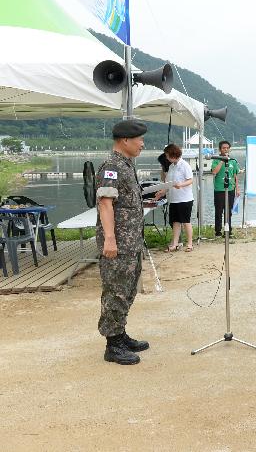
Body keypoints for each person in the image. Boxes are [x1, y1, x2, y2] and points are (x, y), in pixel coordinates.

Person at [95, 119, 151, 366]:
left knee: (126, 290)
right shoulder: (112, 166)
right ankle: (112, 345)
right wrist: (109, 239)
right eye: (139, 139)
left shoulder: (126, 165)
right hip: (117, 244)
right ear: (125, 140)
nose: (142, 143)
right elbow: (105, 203)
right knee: (115, 291)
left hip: (130, 243)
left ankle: (120, 332)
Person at [155, 144, 195, 253]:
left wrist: (181, 184)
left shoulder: (184, 165)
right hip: (173, 199)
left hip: (185, 199)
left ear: (173, 154)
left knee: (186, 221)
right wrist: (162, 192)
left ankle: (190, 243)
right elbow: (168, 184)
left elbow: (190, 180)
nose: (166, 158)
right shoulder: (172, 166)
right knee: (175, 222)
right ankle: (175, 244)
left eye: (167, 155)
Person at [211, 140, 240, 237]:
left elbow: (235, 175)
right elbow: (214, 172)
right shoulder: (216, 160)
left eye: (227, 148)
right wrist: (222, 160)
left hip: (231, 189)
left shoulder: (233, 161)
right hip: (219, 189)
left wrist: (237, 189)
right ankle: (218, 232)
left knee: (229, 211)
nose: (226, 149)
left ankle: (228, 231)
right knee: (219, 211)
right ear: (220, 149)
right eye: (224, 148)